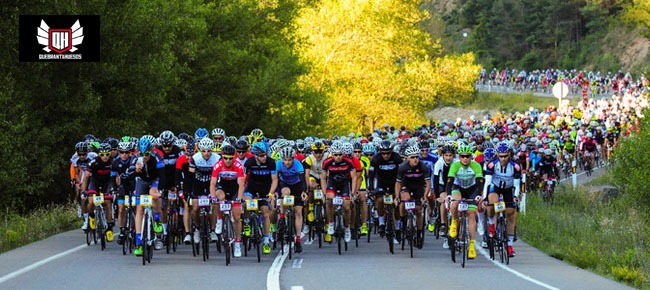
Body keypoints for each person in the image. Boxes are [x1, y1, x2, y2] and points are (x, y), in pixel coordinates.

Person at [482, 142, 521, 257]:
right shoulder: (491, 164)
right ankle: (491, 225)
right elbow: (487, 183)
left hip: (509, 188)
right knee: (492, 203)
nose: (503, 159)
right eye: (501, 156)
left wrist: (516, 197)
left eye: (505, 156)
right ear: (497, 155)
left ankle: (509, 245)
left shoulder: (516, 166)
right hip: (495, 187)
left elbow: (517, 184)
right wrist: (485, 198)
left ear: (509, 155)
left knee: (511, 214)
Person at [446, 144, 484, 260]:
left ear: (471, 156)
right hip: (458, 188)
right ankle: (453, 222)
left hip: (472, 190)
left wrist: (478, 195)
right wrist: (448, 195)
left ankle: (472, 245)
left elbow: (480, 182)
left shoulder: (476, 165)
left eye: (467, 156)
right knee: (455, 202)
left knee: (471, 215)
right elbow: (450, 181)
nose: (465, 159)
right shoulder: (455, 165)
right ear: (459, 157)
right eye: (462, 156)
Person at [210, 144, 246, 257]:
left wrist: (239, 199)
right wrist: (212, 197)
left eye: (230, 158)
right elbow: (213, 183)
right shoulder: (218, 165)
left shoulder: (238, 165)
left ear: (234, 157)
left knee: (236, 217)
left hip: (235, 189)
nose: (228, 161)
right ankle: (219, 219)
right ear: (222, 157)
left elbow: (241, 184)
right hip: (223, 187)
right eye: (225, 158)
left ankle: (237, 244)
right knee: (218, 197)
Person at [243, 141, 278, 254]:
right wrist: (242, 193)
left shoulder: (271, 162)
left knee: (265, 213)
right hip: (252, 187)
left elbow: (274, 180)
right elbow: (243, 180)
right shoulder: (249, 163)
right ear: (256, 156)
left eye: (265, 154)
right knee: (247, 203)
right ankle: (247, 222)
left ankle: (266, 241)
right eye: (262, 155)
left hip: (265, 188)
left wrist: (271, 193)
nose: (264, 157)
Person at [321, 141, 357, 244]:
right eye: (335, 155)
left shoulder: (348, 162)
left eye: (340, 154)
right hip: (332, 183)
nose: (338, 157)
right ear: (332, 154)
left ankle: (347, 228)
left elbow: (354, 178)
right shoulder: (327, 162)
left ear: (343, 154)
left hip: (344, 184)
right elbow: (323, 179)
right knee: (329, 200)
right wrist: (324, 193)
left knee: (346, 206)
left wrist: (353, 194)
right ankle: (331, 223)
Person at [395, 145, 431, 249]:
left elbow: (427, 184)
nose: (415, 159)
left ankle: (419, 233)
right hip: (406, 186)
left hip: (418, 187)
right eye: (412, 157)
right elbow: (397, 184)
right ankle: (404, 221)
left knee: (419, 210)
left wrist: (424, 196)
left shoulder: (423, 166)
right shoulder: (403, 167)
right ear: (407, 158)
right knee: (404, 201)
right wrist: (397, 197)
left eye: (416, 157)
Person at [367, 140, 402, 243]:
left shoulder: (397, 158)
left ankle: (398, 228)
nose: (386, 155)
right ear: (380, 152)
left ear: (391, 152)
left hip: (394, 183)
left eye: (388, 153)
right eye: (383, 153)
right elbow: (371, 175)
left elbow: (402, 173)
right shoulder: (376, 159)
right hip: (381, 183)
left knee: (396, 205)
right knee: (380, 201)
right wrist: (371, 188)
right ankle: (382, 223)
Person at [276, 146, 308, 253]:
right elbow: (275, 180)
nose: (287, 162)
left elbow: (303, 180)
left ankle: (298, 240)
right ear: (282, 159)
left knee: (298, 212)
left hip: (297, 185)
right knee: (285, 193)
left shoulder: (298, 164)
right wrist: (275, 193)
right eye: (285, 160)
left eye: (289, 160)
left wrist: (304, 192)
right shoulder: (278, 164)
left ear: (293, 159)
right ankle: (282, 217)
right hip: (284, 184)